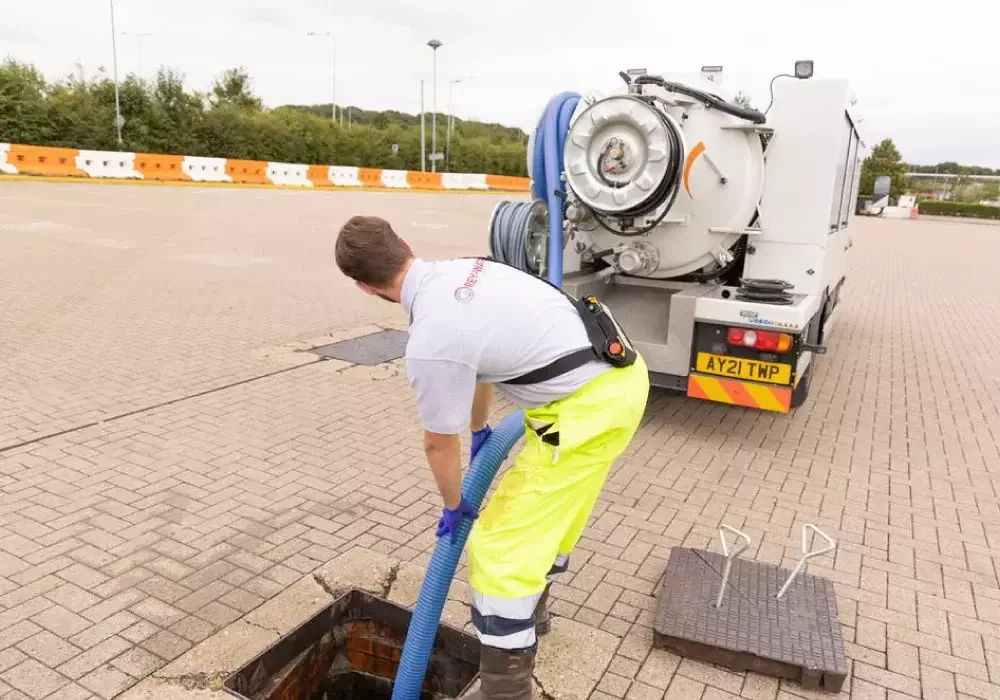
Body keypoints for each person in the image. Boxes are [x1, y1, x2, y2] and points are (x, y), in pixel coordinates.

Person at [334, 215, 649, 699]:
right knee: (554, 515)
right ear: (406, 244)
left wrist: (454, 504)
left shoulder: (432, 340)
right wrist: (481, 428)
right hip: (620, 381)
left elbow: (439, 443)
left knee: (497, 549)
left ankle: (506, 687)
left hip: (586, 413)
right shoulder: (465, 270)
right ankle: (534, 613)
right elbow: (480, 366)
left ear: (361, 286)